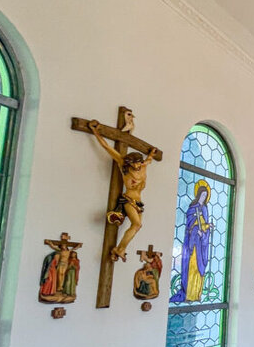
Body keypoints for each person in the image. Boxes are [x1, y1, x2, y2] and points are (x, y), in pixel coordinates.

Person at [87, 120, 159, 262]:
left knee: (138, 227)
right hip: (128, 199)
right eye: (135, 163)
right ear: (129, 163)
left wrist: (151, 154)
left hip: (139, 202)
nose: (138, 165)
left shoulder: (143, 166)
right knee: (136, 224)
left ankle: (119, 249)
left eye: (139, 162)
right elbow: (106, 147)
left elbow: (149, 159)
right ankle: (120, 249)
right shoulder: (123, 165)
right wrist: (95, 131)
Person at [171, 180, 213, 303]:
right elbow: (189, 225)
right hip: (192, 243)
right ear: (198, 195)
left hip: (201, 244)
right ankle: (188, 294)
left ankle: (197, 294)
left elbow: (204, 224)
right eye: (202, 195)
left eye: (206, 196)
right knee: (191, 267)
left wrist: (206, 228)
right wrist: (196, 230)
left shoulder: (205, 208)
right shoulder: (192, 207)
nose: (204, 197)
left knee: (200, 268)